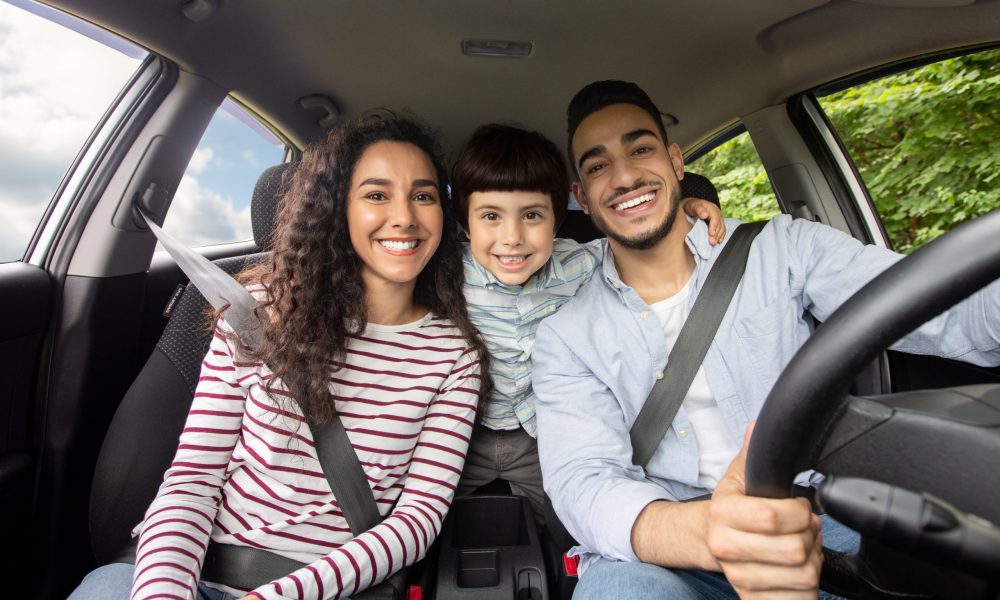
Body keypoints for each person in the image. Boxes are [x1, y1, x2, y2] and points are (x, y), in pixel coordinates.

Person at [531, 80, 1000, 599]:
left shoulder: (784, 249)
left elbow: (941, 306)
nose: (623, 176)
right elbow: (583, 481)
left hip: (813, 515)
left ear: (674, 161)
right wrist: (713, 531)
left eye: (640, 149)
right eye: (597, 166)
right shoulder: (565, 335)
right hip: (669, 551)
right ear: (581, 195)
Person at [68, 116, 488, 600]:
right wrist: (163, 592)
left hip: (332, 589)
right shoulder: (257, 312)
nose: (405, 217)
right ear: (339, 211)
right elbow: (192, 479)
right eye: (376, 195)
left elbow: (418, 519)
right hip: (199, 570)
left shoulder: (453, 355)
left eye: (423, 195)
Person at [449, 123, 725, 526]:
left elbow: (640, 241)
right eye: (490, 216)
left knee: (573, 524)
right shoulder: (447, 276)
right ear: (465, 223)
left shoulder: (581, 263)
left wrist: (685, 211)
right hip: (465, 438)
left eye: (532, 215)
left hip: (540, 439)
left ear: (557, 219)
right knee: (431, 528)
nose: (512, 237)